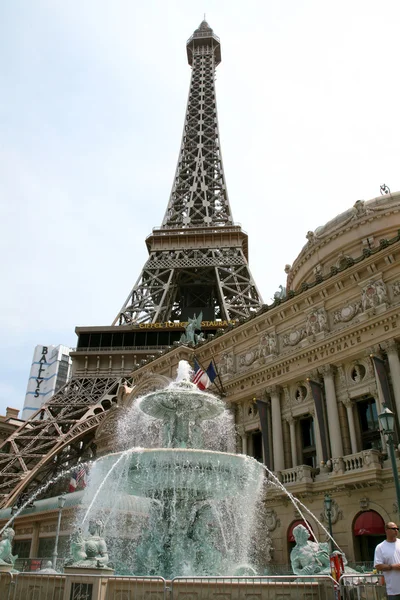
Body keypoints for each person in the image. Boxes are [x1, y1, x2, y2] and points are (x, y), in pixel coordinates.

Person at [374, 521, 400, 599]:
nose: (396, 530)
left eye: (397, 528)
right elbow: (378, 566)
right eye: (393, 528)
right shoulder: (380, 547)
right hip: (393, 591)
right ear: (386, 530)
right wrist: (393, 566)